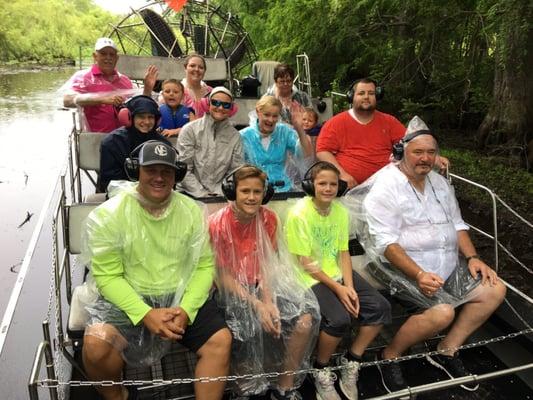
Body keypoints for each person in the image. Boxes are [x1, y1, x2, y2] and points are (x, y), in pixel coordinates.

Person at [361, 117, 506, 394]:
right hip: (399, 266)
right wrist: (418, 274)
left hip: (446, 264)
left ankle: (446, 350)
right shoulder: (386, 187)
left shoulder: (439, 183)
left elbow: (457, 224)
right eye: (418, 152)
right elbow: (386, 244)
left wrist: (473, 257)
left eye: (431, 152)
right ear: (404, 151)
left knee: (495, 289)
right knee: (442, 313)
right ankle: (389, 356)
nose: (425, 158)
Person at [81, 141, 232, 400]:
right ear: (135, 170)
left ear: (176, 175)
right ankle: (119, 396)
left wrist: (186, 309)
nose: (159, 178)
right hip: (130, 295)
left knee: (220, 340)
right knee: (96, 343)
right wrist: (144, 313)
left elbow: (204, 265)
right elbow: (108, 277)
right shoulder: (107, 216)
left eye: (167, 171)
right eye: (151, 170)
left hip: (180, 296)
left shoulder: (192, 211)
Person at [209, 165, 319, 399]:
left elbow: (268, 264)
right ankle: (245, 390)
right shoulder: (218, 223)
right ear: (233, 192)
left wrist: (268, 301)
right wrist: (257, 305)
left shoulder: (269, 219)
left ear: (264, 194)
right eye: (245, 191)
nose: (251, 197)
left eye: (257, 192)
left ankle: (284, 385)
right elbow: (222, 276)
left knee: (304, 320)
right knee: (244, 328)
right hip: (233, 290)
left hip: (263, 285)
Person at [285, 161, 392, 400]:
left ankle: (351, 359)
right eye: (322, 183)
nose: (328, 188)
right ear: (310, 185)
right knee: (339, 318)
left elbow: (343, 251)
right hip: (308, 278)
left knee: (380, 307)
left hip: (337, 272)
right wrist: (339, 289)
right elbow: (305, 262)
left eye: (333, 184)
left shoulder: (340, 211)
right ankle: (321, 367)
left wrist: (350, 287)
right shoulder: (298, 214)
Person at [316, 78, 449, 189]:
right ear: (352, 97)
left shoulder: (389, 121)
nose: (366, 97)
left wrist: (435, 158)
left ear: (377, 96)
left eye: (371, 93)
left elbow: (412, 143)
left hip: (387, 187)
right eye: (361, 93)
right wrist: (342, 174)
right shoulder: (336, 122)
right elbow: (322, 151)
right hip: (350, 188)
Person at [63, 37, 157, 133]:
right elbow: (67, 100)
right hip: (94, 138)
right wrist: (102, 99)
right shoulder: (83, 77)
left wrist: (147, 89)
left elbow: (139, 108)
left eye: (112, 54)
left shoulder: (125, 81)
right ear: (95, 56)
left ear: (117, 58)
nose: (108, 57)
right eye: (103, 54)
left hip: (123, 138)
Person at [176, 86, 244, 198]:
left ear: (231, 109)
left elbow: (235, 172)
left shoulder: (235, 136)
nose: (220, 107)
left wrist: (218, 193)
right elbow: (184, 169)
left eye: (226, 105)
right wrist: (202, 194)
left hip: (220, 195)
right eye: (215, 102)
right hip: (188, 194)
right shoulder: (189, 130)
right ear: (207, 103)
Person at [240, 96, 313, 192]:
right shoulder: (244, 136)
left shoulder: (284, 131)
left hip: (283, 189)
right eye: (266, 115)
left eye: (275, 116)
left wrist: (299, 128)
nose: (271, 120)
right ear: (258, 112)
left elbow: (306, 155)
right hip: (255, 191)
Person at [98, 95, 170, 193]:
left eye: (151, 117)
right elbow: (110, 182)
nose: (147, 122)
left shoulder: (163, 144)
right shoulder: (112, 142)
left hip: (156, 195)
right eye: (141, 117)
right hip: (121, 196)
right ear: (129, 117)